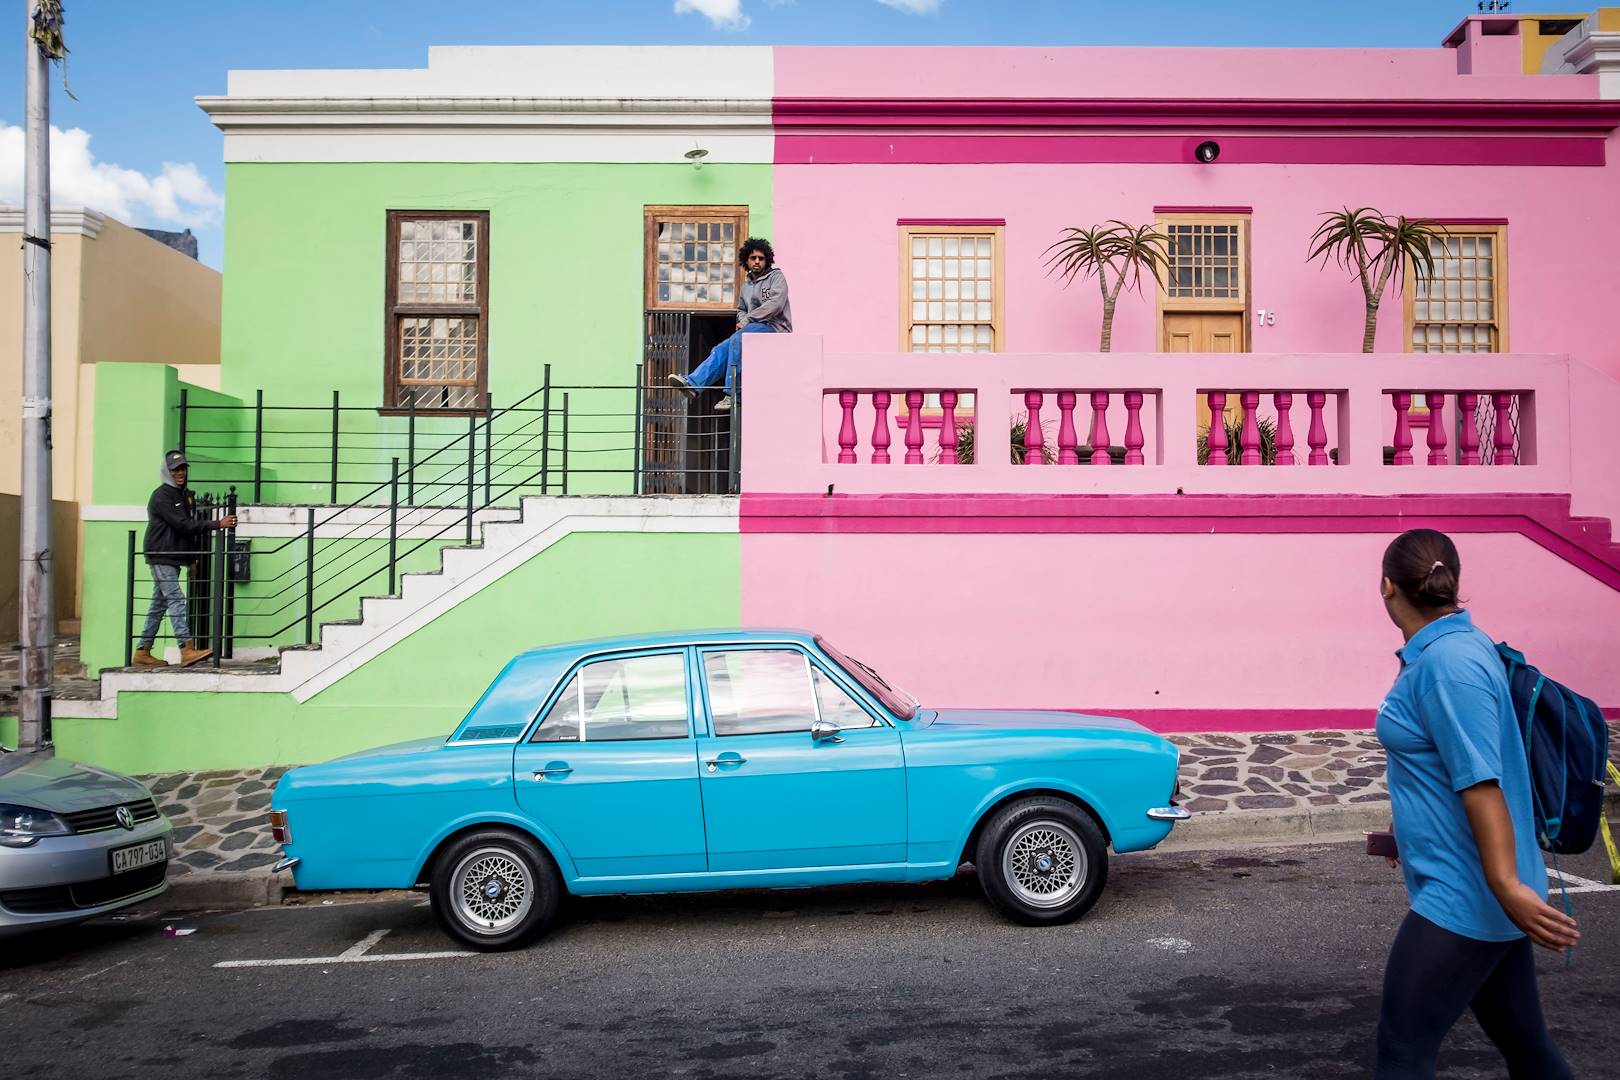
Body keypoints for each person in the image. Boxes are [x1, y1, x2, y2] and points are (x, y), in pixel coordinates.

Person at [1372, 528, 1578, 1079]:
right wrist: (1404, 829)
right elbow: (1440, 761)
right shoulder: (1449, 651)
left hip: (1465, 894)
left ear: (1387, 587)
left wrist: (1506, 886)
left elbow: (1480, 782)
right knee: (1526, 1044)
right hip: (1484, 889)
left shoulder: (1448, 664)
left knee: (1401, 1050)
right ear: (1451, 584)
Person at [132, 450, 236, 668]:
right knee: (176, 599)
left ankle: (142, 651)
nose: (179, 473)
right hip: (161, 554)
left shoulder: (185, 495)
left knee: (159, 604)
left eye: (182, 469)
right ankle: (186, 649)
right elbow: (182, 524)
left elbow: (186, 530)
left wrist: (191, 559)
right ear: (166, 472)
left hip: (173, 556)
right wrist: (218, 524)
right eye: (174, 469)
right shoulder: (161, 496)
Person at [668, 237, 791, 412]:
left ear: (767, 260)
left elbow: (775, 304)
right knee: (721, 349)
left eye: (761, 258)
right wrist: (743, 319)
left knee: (737, 340)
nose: (757, 261)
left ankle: (733, 393)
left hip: (774, 327)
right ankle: (693, 384)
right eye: (753, 258)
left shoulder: (776, 277)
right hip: (753, 327)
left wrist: (747, 320)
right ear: (746, 260)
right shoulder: (746, 285)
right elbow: (741, 308)